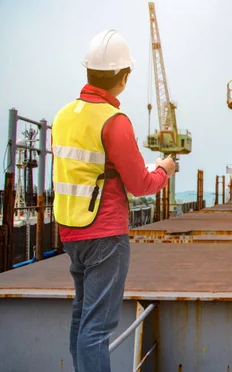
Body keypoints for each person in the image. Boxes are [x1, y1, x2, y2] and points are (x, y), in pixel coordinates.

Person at [51, 29, 176, 372]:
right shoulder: (114, 121)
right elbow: (140, 183)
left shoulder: (62, 118)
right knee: (97, 327)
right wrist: (164, 169)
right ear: (123, 78)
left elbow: (84, 170)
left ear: (88, 71)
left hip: (71, 231)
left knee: (81, 316)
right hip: (105, 235)